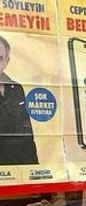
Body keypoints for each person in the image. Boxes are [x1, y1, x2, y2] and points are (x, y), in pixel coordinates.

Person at [0, 34, 38, 165]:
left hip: (20, 164)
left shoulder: (16, 88)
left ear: (6, 62)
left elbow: (27, 131)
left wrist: (35, 166)